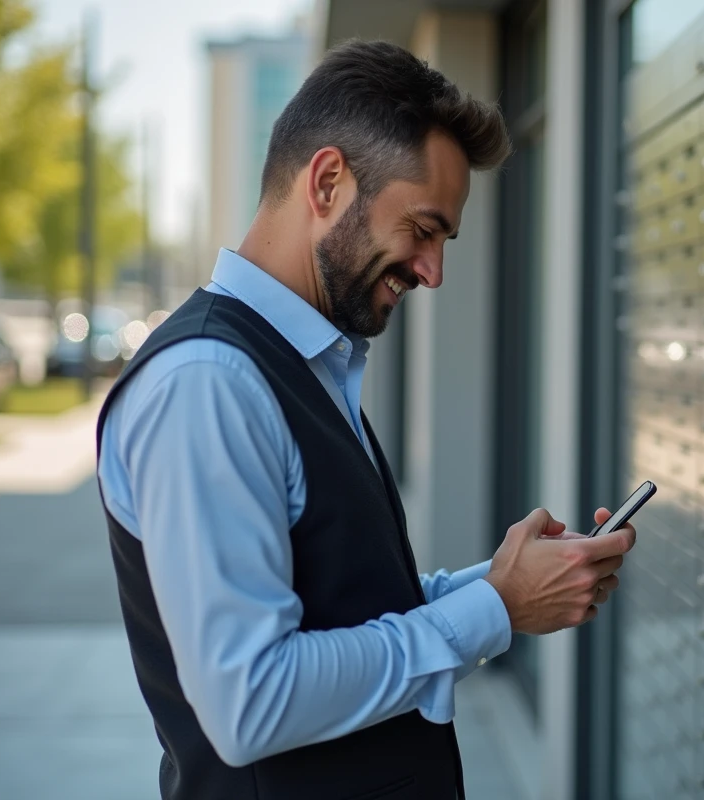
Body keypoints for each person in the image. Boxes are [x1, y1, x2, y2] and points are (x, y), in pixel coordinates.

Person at [95, 39, 635, 800]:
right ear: (327, 182)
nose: (432, 271)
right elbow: (251, 701)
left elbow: (338, 602)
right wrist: (496, 608)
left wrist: (508, 584)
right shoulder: (209, 383)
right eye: (422, 229)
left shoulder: (303, 363)